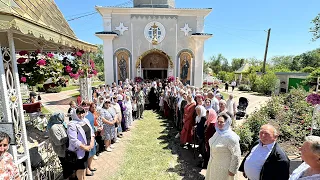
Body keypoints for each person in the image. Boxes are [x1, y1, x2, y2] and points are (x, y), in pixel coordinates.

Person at [206, 113, 241, 180]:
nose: (219, 123)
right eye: (218, 121)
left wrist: (232, 170)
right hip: (214, 165)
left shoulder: (231, 137)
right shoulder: (217, 133)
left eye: (222, 122)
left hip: (225, 169)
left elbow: (236, 155)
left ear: (227, 123)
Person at [67, 107, 95, 180]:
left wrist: (92, 142)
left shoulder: (85, 120)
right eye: (79, 113)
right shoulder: (72, 124)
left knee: (84, 166)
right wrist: (84, 147)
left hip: (87, 148)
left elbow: (91, 131)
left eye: (82, 113)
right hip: (79, 150)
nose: (81, 115)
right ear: (75, 114)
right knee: (80, 167)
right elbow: (73, 140)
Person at [47, 113, 72, 179]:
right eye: (61, 118)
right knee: (66, 167)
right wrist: (68, 138)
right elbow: (58, 141)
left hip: (66, 149)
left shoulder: (60, 123)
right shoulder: (53, 128)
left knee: (69, 166)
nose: (62, 119)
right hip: (62, 151)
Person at [85, 103, 97, 176]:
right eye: (84, 104)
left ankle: (90, 166)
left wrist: (96, 129)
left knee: (92, 152)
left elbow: (92, 124)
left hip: (92, 135)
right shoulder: (81, 115)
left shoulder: (90, 113)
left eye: (87, 105)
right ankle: (86, 169)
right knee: (87, 154)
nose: (85, 106)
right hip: (85, 137)